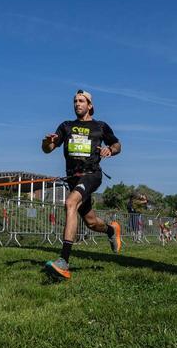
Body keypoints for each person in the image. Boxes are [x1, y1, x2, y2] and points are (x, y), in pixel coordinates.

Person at [41, 89, 123, 280]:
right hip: (73, 178)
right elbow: (48, 149)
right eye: (75, 101)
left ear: (90, 105)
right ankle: (111, 229)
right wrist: (46, 143)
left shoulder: (100, 126)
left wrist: (110, 149)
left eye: (81, 101)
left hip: (91, 174)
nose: (77, 104)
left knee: (70, 203)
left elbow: (118, 144)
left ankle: (63, 261)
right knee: (91, 222)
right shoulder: (66, 126)